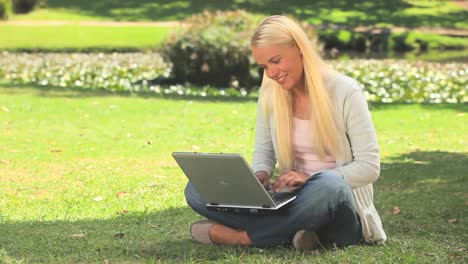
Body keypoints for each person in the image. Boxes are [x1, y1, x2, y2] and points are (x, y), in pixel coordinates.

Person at [184, 15, 386, 250]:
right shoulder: (271, 93)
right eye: (265, 66)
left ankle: (245, 237)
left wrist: (310, 179)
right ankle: (295, 234)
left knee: (329, 185)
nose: (271, 73)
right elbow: (264, 150)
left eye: (276, 61)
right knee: (197, 188)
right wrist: (260, 174)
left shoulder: (345, 92)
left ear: (299, 49)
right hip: (289, 198)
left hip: (335, 202)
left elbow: (370, 167)